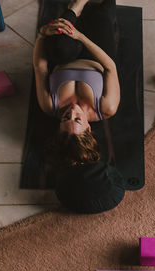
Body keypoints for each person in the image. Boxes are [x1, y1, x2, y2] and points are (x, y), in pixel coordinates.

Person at [32, 0, 121, 169]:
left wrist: (41, 35)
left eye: (66, 118)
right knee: (102, 14)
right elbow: (111, 68)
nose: (72, 111)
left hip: (66, 54)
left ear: (59, 127)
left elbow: (40, 68)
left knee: (60, 47)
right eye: (77, 119)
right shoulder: (106, 108)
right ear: (88, 129)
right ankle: (75, 12)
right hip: (97, 55)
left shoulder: (49, 105)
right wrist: (80, 37)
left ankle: (75, 7)